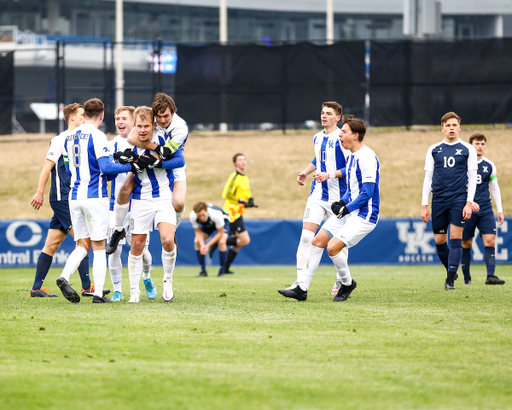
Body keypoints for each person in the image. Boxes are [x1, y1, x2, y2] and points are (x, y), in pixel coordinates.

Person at [279, 114, 380, 302]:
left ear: (355, 135)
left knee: (332, 248)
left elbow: (367, 193)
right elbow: (352, 188)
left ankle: (347, 283)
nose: (340, 135)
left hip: (364, 216)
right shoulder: (352, 157)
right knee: (317, 241)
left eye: (344, 132)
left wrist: (347, 208)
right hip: (350, 212)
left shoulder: (367, 157)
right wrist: (343, 202)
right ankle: (301, 288)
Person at [55, 98, 144, 304]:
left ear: (83, 115)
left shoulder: (70, 136)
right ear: (102, 116)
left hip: (74, 197)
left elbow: (68, 170)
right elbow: (105, 168)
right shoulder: (98, 135)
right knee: (99, 246)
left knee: (82, 243)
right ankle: (97, 295)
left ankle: (64, 276)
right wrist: (132, 166)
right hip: (95, 197)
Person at [29, 102, 98, 298]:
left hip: (72, 197)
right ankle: (87, 287)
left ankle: (36, 289)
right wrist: (39, 191)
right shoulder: (60, 140)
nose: (84, 117)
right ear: (71, 118)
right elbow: (47, 167)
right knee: (83, 239)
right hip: (62, 198)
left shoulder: (81, 138)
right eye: (81, 115)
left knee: (52, 243)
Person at [106, 93, 188, 254]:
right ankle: (118, 230)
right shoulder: (151, 116)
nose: (162, 121)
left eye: (166, 116)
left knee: (178, 202)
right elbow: (132, 138)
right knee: (123, 190)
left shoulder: (180, 127)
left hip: (172, 164)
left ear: (173, 112)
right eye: (159, 117)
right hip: (148, 161)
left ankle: (173, 228)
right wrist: (138, 158)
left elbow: (166, 153)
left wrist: (152, 158)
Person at [123, 106, 185, 303]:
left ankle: (167, 281)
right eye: (139, 126)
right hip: (141, 199)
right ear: (134, 125)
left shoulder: (162, 139)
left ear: (154, 125)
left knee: (168, 240)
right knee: (137, 245)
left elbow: (180, 160)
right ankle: (134, 292)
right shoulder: (129, 141)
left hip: (163, 196)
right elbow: (121, 164)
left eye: (146, 126)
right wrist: (127, 162)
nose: (142, 130)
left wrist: (157, 162)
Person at [292, 101, 349, 295]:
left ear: (338, 118)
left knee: (339, 241)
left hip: (338, 197)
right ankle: (299, 282)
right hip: (317, 194)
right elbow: (319, 158)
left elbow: (350, 168)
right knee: (306, 236)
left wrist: (329, 174)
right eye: (322, 113)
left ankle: (341, 280)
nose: (324, 116)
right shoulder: (317, 137)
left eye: (329, 113)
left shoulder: (343, 138)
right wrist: (306, 172)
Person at [421, 112, 478, 290]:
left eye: (454, 125)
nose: (451, 128)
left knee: (455, 237)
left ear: (459, 128)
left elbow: (472, 176)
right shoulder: (434, 149)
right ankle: (451, 270)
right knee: (439, 240)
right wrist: (424, 204)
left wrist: (469, 202)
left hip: (458, 200)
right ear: (443, 128)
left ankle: (450, 279)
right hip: (438, 200)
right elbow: (428, 178)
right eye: (448, 125)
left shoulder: (468, 149)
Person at [107, 106, 156, 301]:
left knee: (142, 250)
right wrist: (122, 163)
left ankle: (147, 277)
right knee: (114, 249)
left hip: (139, 202)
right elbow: (106, 173)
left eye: (124, 118)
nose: (120, 121)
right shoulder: (111, 145)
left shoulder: (146, 141)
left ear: (133, 122)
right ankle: (118, 289)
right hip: (115, 206)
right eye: (117, 118)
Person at [461, 133, 505, 285]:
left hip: (485, 209)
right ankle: (466, 277)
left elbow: (495, 188)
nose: (480, 147)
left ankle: (490, 276)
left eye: (482, 144)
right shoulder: (463, 165)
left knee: (490, 241)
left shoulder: (489, 165)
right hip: (467, 209)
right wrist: (468, 202)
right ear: (470, 146)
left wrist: (499, 210)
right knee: (466, 243)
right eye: (477, 144)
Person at [222, 153, 258, 274]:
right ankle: (218, 241)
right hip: (232, 214)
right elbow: (226, 194)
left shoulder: (245, 178)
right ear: (235, 163)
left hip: (239, 213)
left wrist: (250, 199)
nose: (243, 162)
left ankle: (225, 269)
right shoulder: (234, 177)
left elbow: (246, 194)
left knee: (237, 243)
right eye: (240, 160)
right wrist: (241, 201)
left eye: (244, 159)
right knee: (245, 240)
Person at [189, 201, 229, 277]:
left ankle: (222, 270)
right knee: (197, 241)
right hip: (209, 225)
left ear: (206, 210)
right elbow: (198, 232)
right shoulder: (193, 216)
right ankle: (203, 271)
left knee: (221, 242)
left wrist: (207, 245)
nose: (202, 218)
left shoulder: (216, 214)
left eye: (203, 215)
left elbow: (220, 233)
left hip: (223, 222)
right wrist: (202, 245)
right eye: (199, 216)